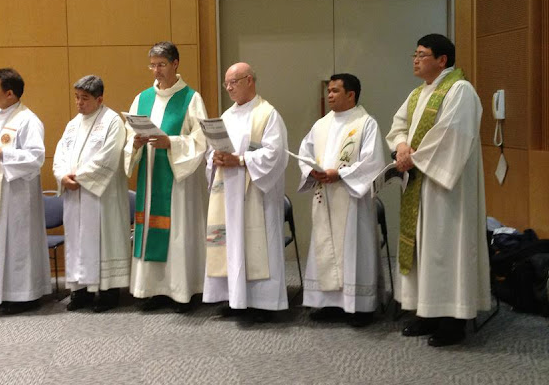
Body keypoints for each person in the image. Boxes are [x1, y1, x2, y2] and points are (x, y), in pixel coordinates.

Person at [386, 33, 491, 346]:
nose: (416, 60)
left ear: (442, 60)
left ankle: (452, 321)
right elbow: (398, 125)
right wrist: (401, 146)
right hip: (419, 183)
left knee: (446, 248)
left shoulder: (460, 90)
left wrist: (412, 158)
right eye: (415, 54)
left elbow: (452, 135)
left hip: (447, 189)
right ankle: (427, 313)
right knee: (423, 248)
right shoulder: (418, 94)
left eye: (422, 54)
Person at [124, 41, 208, 313]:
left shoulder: (191, 98)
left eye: (161, 65)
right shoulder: (142, 98)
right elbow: (129, 135)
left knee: (178, 234)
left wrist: (170, 143)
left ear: (175, 64)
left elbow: (201, 140)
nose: (156, 70)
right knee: (151, 229)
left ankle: (181, 291)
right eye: (152, 65)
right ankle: (153, 290)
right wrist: (135, 143)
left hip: (177, 181)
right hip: (150, 177)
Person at [297, 73, 385, 327]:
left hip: (351, 199)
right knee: (325, 246)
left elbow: (372, 162)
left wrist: (341, 174)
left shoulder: (366, 124)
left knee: (353, 249)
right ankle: (329, 303)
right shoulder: (321, 125)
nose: (330, 95)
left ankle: (359, 307)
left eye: (335, 91)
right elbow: (305, 152)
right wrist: (311, 171)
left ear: (351, 95)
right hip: (325, 194)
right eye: (329, 90)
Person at [203, 62, 289, 322]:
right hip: (227, 193)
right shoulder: (227, 116)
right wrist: (215, 158)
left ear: (249, 80)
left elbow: (275, 154)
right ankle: (234, 299)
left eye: (234, 82)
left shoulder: (267, 114)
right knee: (230, 244)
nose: (229, 88)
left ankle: (262, 303)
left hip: (256, 196)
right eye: (226, 84)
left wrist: (240, 160)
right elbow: (212, 150)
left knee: (255, 244)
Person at [0, 68, 51, 314]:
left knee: (16, 244)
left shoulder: (28, 120)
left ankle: (23, 296)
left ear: (10, 94)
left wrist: (2, 152)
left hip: (16, 197)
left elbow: (36, 157)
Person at [53, 75, 130, 313]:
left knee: (102, 240)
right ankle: (81, 291)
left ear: (99, 99)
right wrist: (62, 176)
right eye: (77, 97)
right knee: (77, 241)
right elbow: (60, 154)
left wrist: (80, 177)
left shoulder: (112, 122)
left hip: (100, 196)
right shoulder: (73, 124)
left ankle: (108, 293)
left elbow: (109, 157)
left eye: (84, 98)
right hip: (75, 195)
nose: (79, 103)